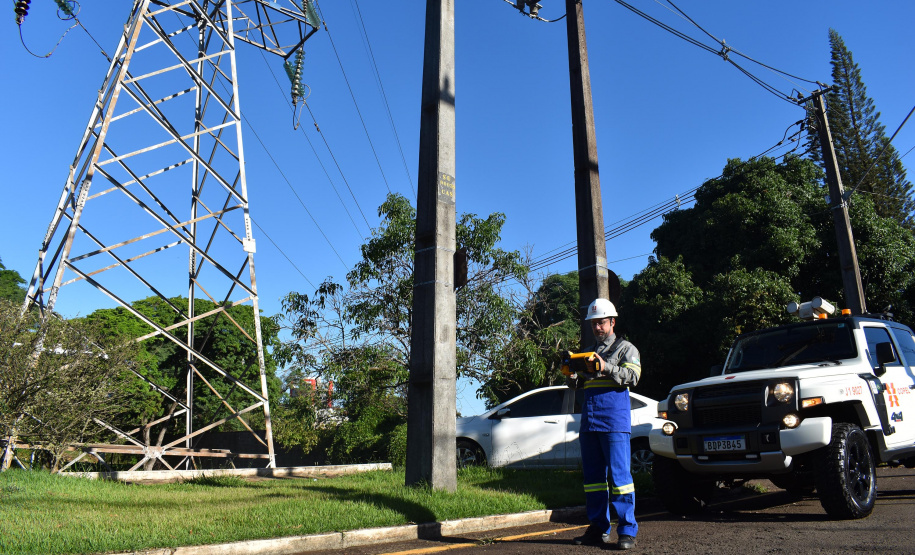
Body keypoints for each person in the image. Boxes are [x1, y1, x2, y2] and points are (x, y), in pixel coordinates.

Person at [568, 298, 641, 550]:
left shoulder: (626, 349)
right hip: (590, 422)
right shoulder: (588, 352)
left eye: (601, 323)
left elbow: (632, 376)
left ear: (612, 322)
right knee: (594, 480)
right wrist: (572, 374)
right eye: (593, 324)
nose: (597, 328)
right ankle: (599, 527)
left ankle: (627, 530)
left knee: (621, 479)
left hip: (614, 422)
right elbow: (580, 384)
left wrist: (605, 366)